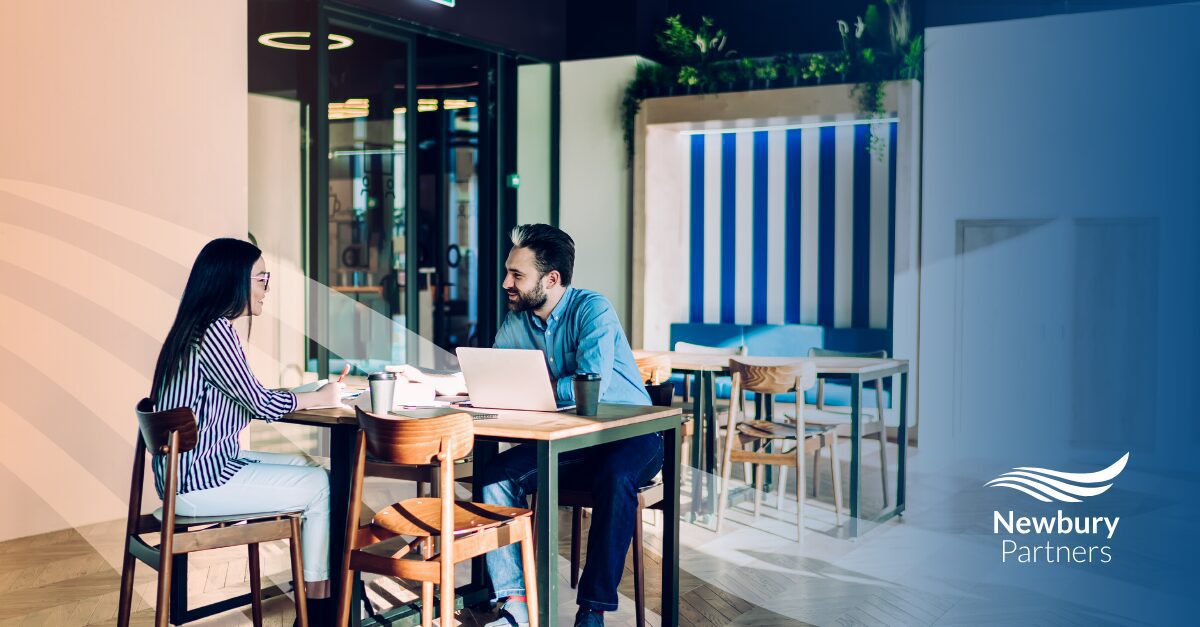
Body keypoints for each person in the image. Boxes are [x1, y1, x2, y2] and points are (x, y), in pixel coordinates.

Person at [148, 238, 343, 623]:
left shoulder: (191, 328)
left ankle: (313, 590)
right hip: (199, 480)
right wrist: (321, 398)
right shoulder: (217, 332)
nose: (266, 289)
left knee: (308, 466)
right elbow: (260, 405)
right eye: (261, 278)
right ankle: (319, 605)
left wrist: (307, 394)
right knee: (323, 484)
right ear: (233, 281)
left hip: (183, 475)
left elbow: (246, 395)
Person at [482, 224, 662, 627]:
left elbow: (588, 386)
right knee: (494, 475)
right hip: (569, 442)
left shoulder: (592, 309)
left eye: (517, 275)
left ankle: (592, 611)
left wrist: (532, 388)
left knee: (616, 478)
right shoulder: (518, 321)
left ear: (552, 279)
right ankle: (514, 604)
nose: (505, 282)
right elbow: (494, 375)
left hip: (632, 436)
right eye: (508, 272)